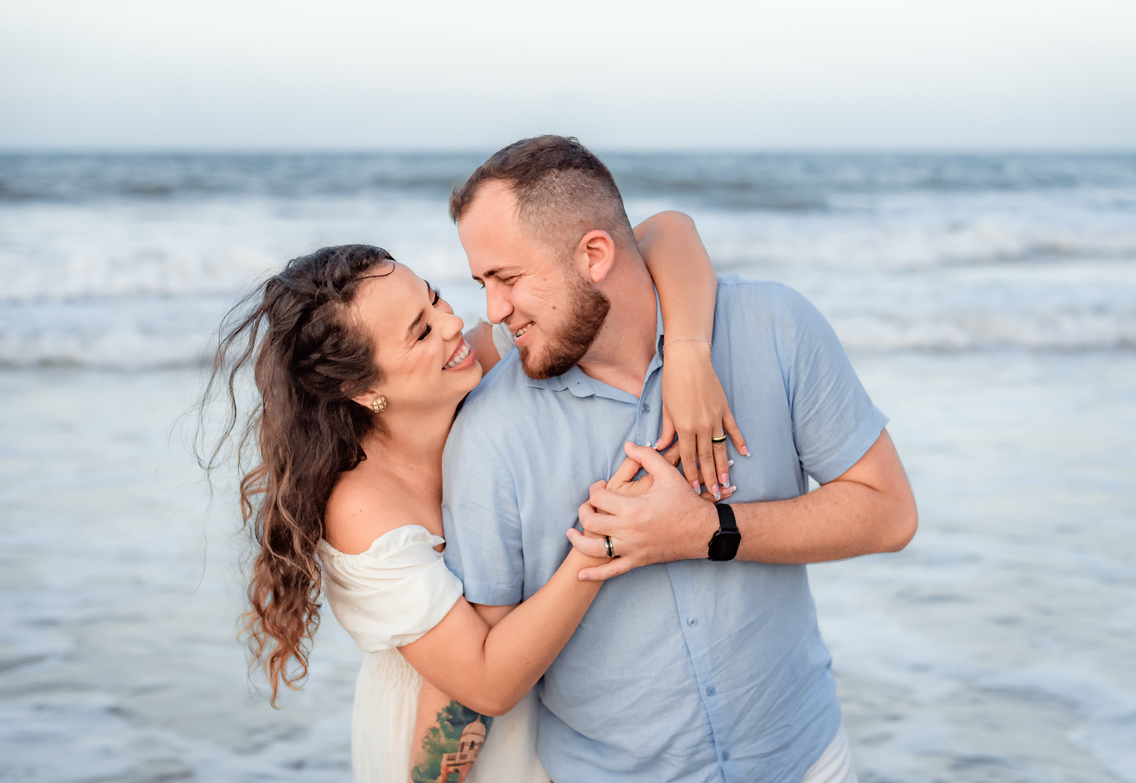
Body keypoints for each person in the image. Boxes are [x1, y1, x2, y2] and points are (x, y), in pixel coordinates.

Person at [441, 135, 919, 783]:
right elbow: (487, 667)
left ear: (594, 254)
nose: (493, 311)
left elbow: (889, 513)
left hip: (806, 761)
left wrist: (704, 530)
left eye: (508, 278)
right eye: (482, 283)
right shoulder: (489, 431)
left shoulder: (774, 326)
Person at [199, 212, 740, 783]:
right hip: (436, 754)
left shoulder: (474, 368)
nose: (455, 324)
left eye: (434, 299)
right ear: (364, 390)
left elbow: (665, 231)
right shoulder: (363, 512)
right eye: (421, 332)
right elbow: (485, 683)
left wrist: (687, 356)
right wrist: (603, 538)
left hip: (546, 721)